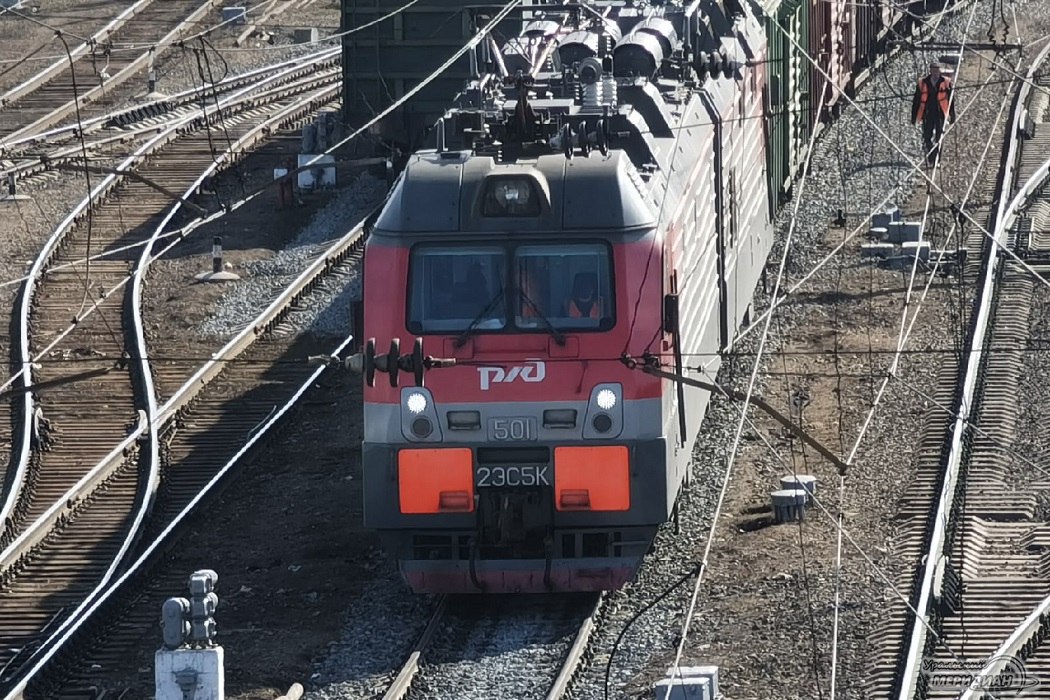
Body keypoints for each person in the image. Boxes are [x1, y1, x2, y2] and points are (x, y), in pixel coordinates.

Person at [911, 62, 956, 167]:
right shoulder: (923, 83)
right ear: (930, 70)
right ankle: (932, 155)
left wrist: (952, 114)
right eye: (934, 70)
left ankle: (937, 159)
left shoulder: (946, 82)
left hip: (940, 114)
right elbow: (916, 101)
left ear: (940, 71)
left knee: (939, 137)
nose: (936, 72)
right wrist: (913, 117)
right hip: (928, 114)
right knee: (927, 136)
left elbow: (951, 100)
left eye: (937, 70)